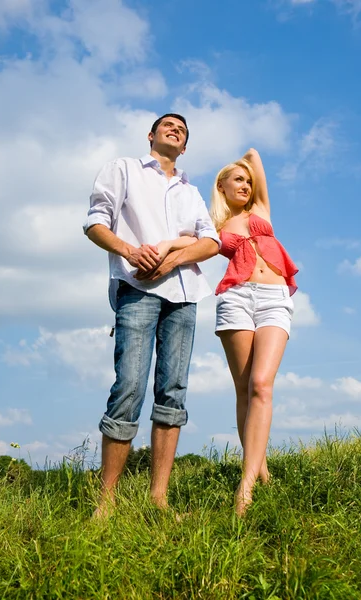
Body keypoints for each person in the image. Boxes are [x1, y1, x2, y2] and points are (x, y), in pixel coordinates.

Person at [84, 113, 220, 516]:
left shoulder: (190, 191)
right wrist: (131, 251)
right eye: (168, 125)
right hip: (137, 290)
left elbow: (210, 242)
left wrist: (170, 259)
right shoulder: (123, 169)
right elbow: (95, 223)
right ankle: (105, 501)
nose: (175, 129)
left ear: (185, 146)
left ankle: (157, 498)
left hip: (184, 295)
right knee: (128, 387)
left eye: (182, 129)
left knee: (173, 391)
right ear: (151, 135)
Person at [210, 149, 298, 516]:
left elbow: (255, 157)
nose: (245, 184)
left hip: (274, 297)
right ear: (222, 186)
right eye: (237, 180)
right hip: (236, 299)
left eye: (248, 181)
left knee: (262, 384)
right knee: (244, 388)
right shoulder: (213, 224)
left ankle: (244, 488)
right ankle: (258, 468)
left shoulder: (260, 210)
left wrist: (244, 164)